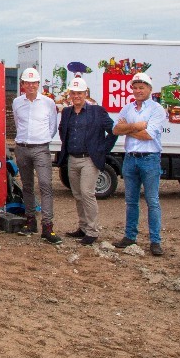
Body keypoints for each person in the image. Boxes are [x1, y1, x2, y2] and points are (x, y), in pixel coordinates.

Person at [57, 76, 117, 245]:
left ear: (86, 94)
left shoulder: (97, 111)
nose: (76, 96)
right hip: (72, 159)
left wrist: (102, 149)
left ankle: (92, 230)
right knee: (77, 194)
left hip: (89, 159)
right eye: (74, 93)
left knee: (87, 193)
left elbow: (113, 131)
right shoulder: (67, 112)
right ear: (70, 94)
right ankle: (83, 227)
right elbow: (62, 131)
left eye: (80, 93)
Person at [112, 72, 166, 256]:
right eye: (135, 88)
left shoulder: (157, 109)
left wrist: (127, 129)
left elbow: (148, 135)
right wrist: (137, 126)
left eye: (141, 87)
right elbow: (115, 129)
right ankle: (130, 236)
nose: (137, 91)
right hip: (130, 158)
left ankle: (155, 241)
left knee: (152, 201)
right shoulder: (128, 108)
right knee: (131, 201)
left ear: (149, 89)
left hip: (150, 158)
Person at [12, 67, 61, 244]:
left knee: (46, 185)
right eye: (27, 83)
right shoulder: (17, 102)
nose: (31, 86)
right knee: (27, 186)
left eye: (34, 83)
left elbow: (52, 127)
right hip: (22, 148)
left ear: (38, 84)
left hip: (41, 148)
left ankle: (47, 226)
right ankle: (30, 221)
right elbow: (18, 124)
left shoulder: (48, 103)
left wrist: (41, 139)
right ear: (23, 84)